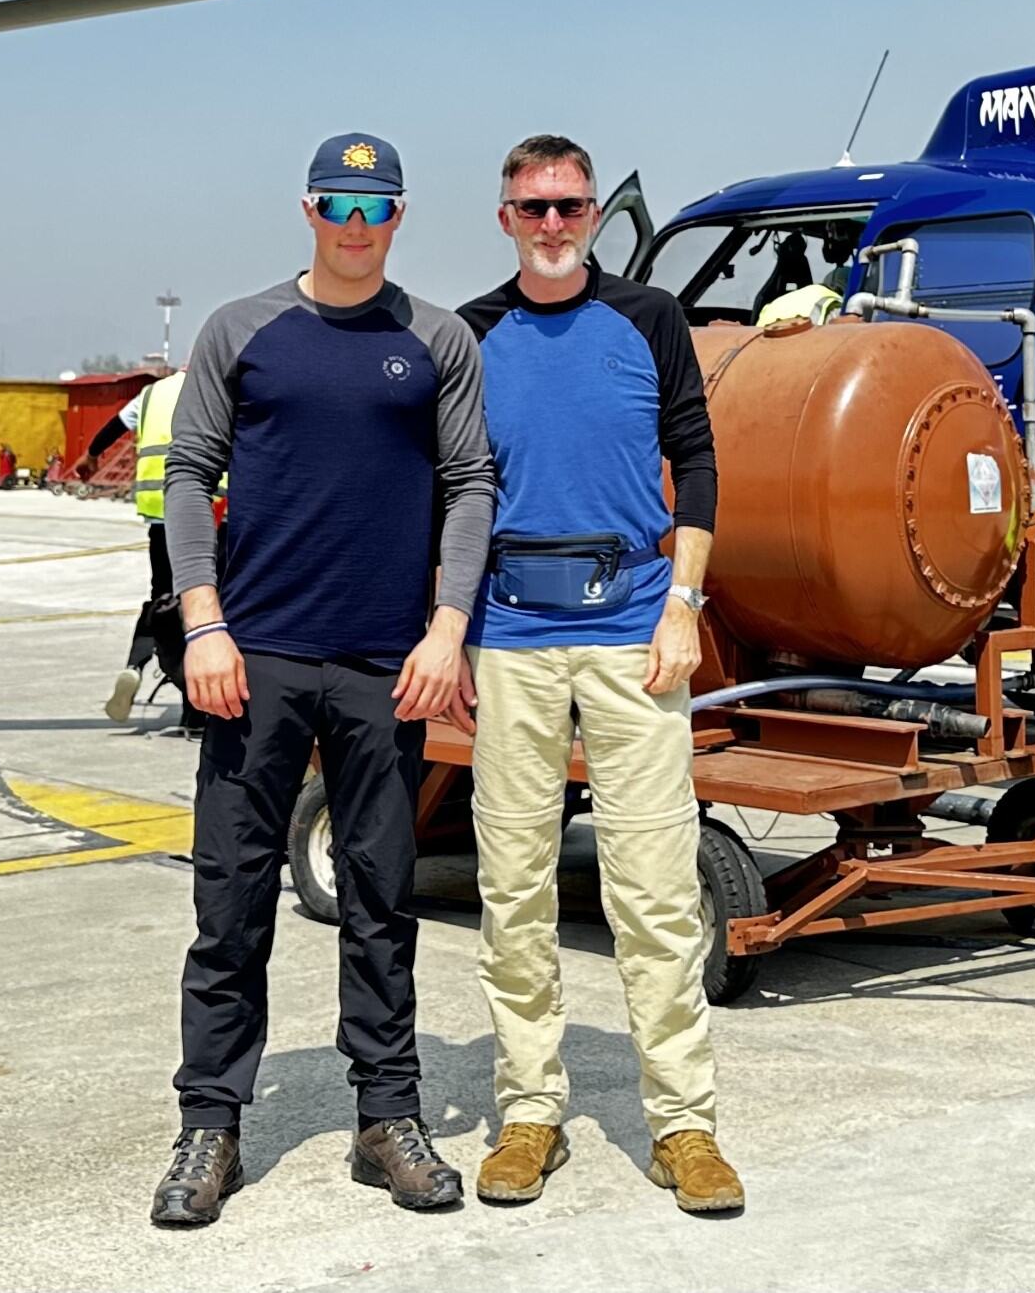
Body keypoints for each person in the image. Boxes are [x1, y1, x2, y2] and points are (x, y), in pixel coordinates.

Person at [149, 133, 496, 1228]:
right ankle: (210, 1121)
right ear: (308, 208)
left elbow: (471, 484)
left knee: (380, 896)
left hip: (386, 665)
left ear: (399, 217)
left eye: (376, 206)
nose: (357, 223)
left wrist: (448, 630)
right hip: (254, 660)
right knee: (232, 900)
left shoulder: (435, 339)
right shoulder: (241, 331)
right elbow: (188, 473)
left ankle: (387, 1116)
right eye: (339, 203)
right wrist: (204, 624)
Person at [458, 135, 742, 1215]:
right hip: (512, 633)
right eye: (532, 207)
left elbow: (698, 457)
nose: (552, 223)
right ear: (504, 217)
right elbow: (447, 484)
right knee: (513, 885)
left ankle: (684, 1124)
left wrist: (686, 602)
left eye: (569, 204)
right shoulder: (471, 333)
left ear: (592, 211)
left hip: (634, 628)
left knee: (655, 887)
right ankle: (529, 1110)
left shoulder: (650, 317)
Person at [81, 371, 203, 730]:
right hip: (208, 512)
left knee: (162, 599)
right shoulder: (217, 386)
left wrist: (91, 456)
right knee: (204, 606)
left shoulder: (152, 394)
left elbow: (114, 427)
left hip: (161, 513)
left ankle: (134, 665)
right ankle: (195, 713)